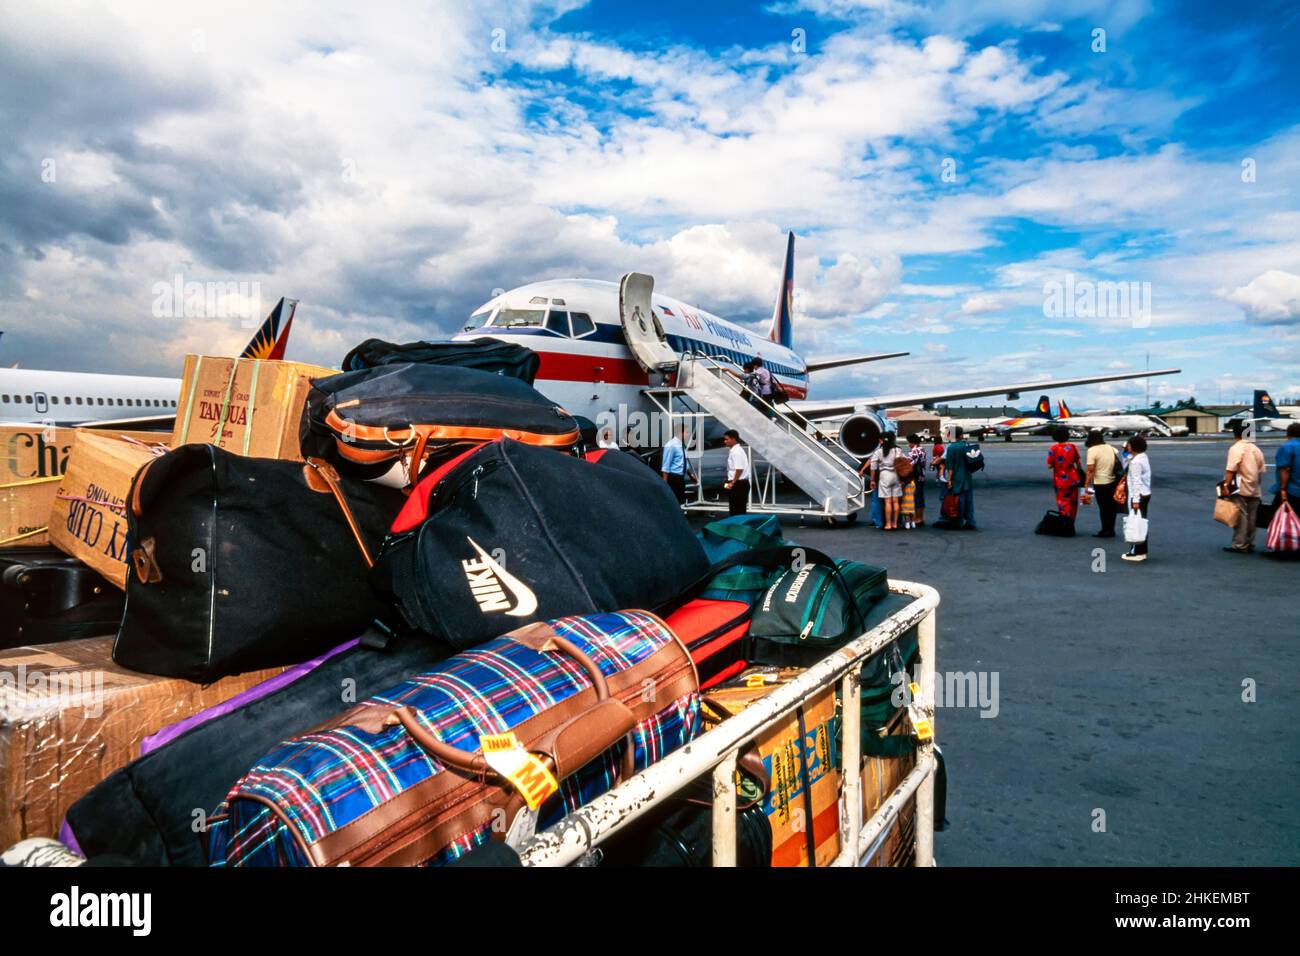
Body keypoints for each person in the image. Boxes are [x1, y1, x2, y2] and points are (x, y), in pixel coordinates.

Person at [1222, 420, 1266, 554]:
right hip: (1254, 486)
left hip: (1240, 486)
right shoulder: (1256, 449)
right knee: (1253, 517)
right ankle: (1249, 543)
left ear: (1235, 434)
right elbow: (1260, 470)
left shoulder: (1236, 448)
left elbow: (1231, 469)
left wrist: (1226, 485)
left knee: (1241, 516)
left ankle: (1239, 544)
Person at [1083, 429, 1122, 538]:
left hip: (1100, 482)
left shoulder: (1092, 450)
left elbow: (1090, 469)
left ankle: (1105, 530)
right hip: (1113, 481)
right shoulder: (1110, 447)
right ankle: (1111, 529)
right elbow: (1116, 455)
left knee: (1103, 508)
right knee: (1111, 507)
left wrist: (1086, 484)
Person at [862, 432, 903, 530]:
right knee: (896, 501)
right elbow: (902, 462)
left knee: (888, 502)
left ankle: (888, 524)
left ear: (881, 440)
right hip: (896, 475)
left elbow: (873, 467)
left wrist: (872, 480)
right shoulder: (898, 450)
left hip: (885, 475)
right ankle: (895, 523)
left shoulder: (879, 452)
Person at [1046, 426, 1084, 526]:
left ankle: (1065, 523)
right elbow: (1078, 462)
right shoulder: (1072, 447)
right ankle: (1071, 523)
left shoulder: (1053, 449)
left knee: (1063, 502)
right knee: (1073, 502)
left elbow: (1049, 465)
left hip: (1060, 480)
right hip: (1073, 478)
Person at [1122, 435, 1151, 562]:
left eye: (1128, 444)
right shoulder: (1142, 457)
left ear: (1133, 446)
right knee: (1141, 522)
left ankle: (1137, 551)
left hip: (1138, 495)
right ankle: (1141, 550)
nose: (1127, 446)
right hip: (1145, 493)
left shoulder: (1135, 462)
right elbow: (1126, 461)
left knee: (1136, 523)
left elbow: (1136, 482)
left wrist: (1135, 501)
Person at [943, 426, 977, 530]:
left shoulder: (951, 448)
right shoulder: (967, 445)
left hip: (957, 478)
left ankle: (958, 521)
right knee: (969, 499)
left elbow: (950, 467)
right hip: (967, 476)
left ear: (952, 435)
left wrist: (948, 480)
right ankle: (971, 521)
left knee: (959, 499)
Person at [660, 423, 695, 505]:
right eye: (686, 432)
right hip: (673, 478)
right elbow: (666, 466)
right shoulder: (671, 445)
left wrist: (691, 476)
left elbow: (684, 463)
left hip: (680, 478)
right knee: (672, 502)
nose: (688, 434)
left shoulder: (681, 445)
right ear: (680, 433)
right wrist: (665, 483)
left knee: (680, 500)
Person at [722, 429, 750, 515]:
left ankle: (737, 527)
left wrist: (732, 483)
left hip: (738, 483)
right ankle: (737, 526)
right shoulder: (736, 450)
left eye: (727, 439)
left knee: (736, 509)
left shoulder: (736, 452)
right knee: (737, 508)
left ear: (733, 439)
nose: (725, 441)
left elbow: (739, 469)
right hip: (740, 483)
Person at [906, 433, 927, 526]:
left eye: (909, 443)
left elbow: (911, 464)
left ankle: (917, 519)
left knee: (916, 498)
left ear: (912, 442)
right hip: (922, 475)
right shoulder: (922, 449)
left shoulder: (914, 451)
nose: (908, 445)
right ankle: (921, 518)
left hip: (915, 477)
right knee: (921, 497)